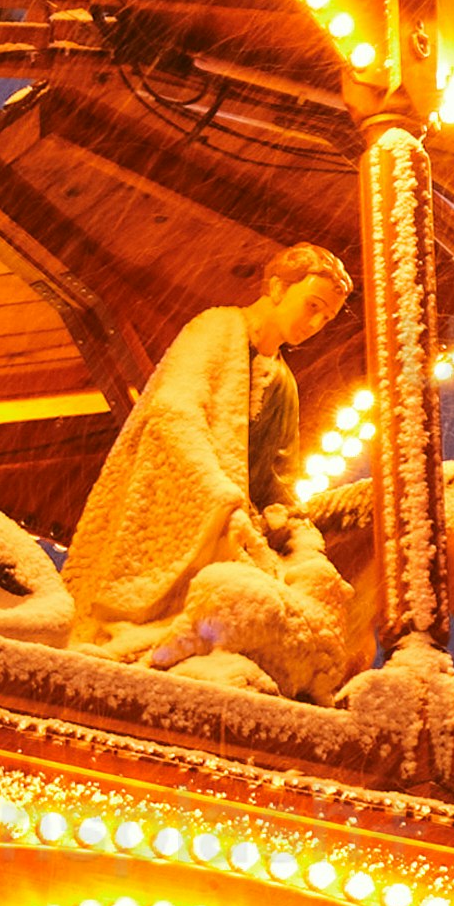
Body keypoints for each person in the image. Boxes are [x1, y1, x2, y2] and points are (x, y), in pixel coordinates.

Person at [60, 243, 373, 699]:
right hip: (185, 514)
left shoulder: (284, 383)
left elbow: (276, 480)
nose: (315, 323)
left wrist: (298, 533)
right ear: (276, 288)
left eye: (326, 318)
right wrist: (219, 497)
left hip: (239, 529)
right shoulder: (215, 329)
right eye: (312, 306)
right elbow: (173, 415)